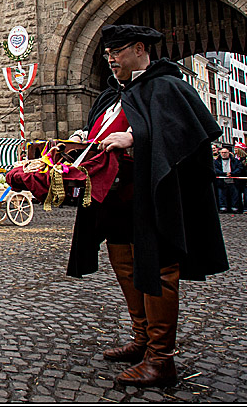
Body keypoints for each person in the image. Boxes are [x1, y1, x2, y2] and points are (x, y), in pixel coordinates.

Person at [66, 24, 228, 387]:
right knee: (123, 262)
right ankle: (141, 339)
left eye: (117, 53)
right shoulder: (111, 96)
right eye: (107, 55)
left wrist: (136, 137)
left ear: (140, 49)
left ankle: (161, 357)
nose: (111, 61)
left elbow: (186, 135)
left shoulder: (167, 87)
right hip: (115, 200)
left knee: (158, 267)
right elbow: (100, 133)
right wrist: (82, 138)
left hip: (153, 197)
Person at [212, 145, 243, 213]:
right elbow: (215, 169)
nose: (224, 154)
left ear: (228, 153)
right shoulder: (217, 161)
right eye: (222, 152)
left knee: (235, 195)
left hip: (233, 180)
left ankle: (234, 207)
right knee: (222, 195)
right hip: (221, 181)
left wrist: (232, 173)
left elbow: (239, 168)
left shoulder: (235, 161)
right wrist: (224, 174)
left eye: (225, 152)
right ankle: (223, 207)